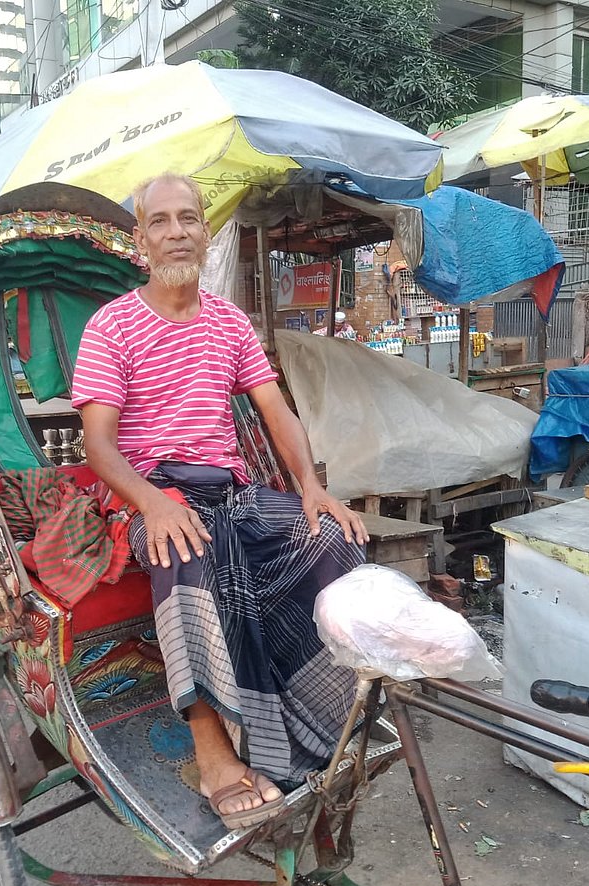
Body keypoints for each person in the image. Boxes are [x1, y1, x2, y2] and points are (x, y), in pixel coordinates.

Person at [71, 173, 368, 830]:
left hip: (231, 492)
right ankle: (212, 751)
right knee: (184, 552)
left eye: (188, 218)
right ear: (141, 239)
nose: (176, 232)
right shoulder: (112, 326)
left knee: (332, 539)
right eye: (160, 221)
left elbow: (276, 412)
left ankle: (312, 715)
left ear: (205, 233)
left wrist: (312, 487)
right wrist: (152, 503)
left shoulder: (229, 321)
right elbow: (98, 445)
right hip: (152, 493)